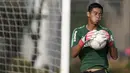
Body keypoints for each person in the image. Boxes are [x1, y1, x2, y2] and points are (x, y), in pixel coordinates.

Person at [71, 3, 118, 73]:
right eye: (95, 13)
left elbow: (115, 57)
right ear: (88, 14)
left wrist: (110, 42)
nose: (98, 16)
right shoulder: (78, 31)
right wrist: (83, 40)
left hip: (101, 70)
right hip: (85, 70)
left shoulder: (106, 32)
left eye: (100, 14)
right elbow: (73, 54)